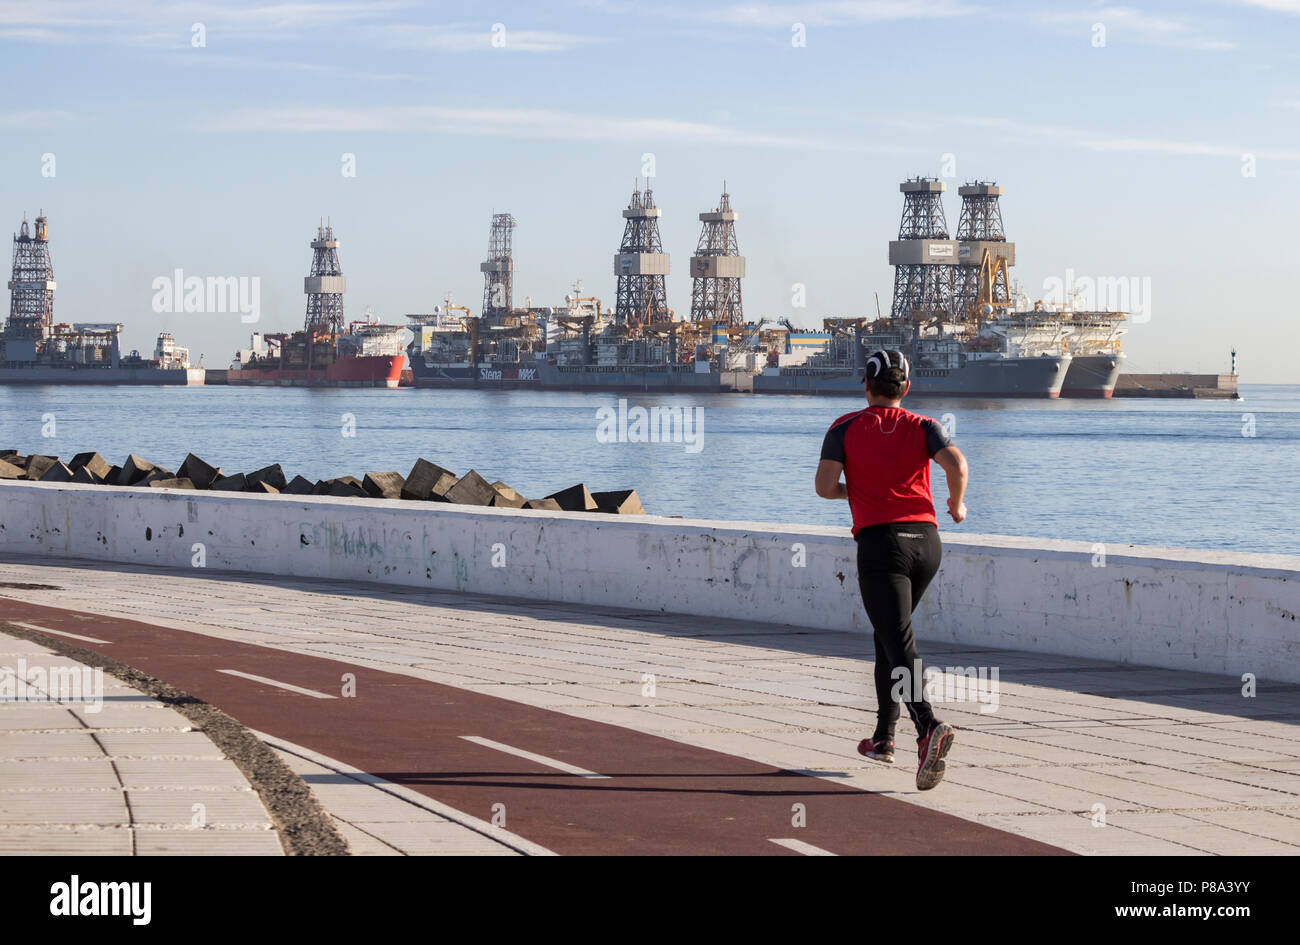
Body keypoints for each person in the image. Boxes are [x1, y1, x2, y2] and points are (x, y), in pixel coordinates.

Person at [814, 348, 969, 791]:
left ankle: (928, 726)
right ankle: (883, 738)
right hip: (928, 545)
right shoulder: (925, 426)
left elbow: (824, 487)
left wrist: (860, 493)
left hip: (882, 546)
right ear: (907, 388)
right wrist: (956, 504)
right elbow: (956, 464)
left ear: (866, 386)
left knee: (898, 640)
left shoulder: (844, 427)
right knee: (888, 635)